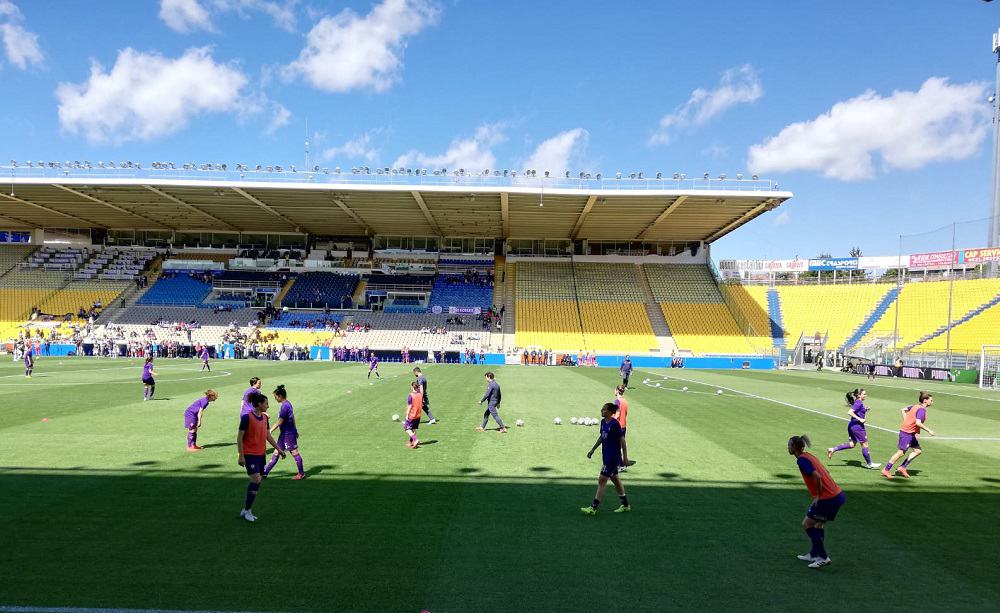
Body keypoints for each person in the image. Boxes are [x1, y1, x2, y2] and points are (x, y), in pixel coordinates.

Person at [789, 434, 845, 569]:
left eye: (790, 445)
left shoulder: (801, 460)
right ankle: (814, 554)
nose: (788, 447)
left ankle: (823, 557)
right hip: (837, 495)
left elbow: (818, 476)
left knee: (807, 524)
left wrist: (818, 495)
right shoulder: (809, 456)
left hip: (828, 498)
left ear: (795, 447)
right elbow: (825, 471)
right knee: (818, 525)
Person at [237, 392, 284, 522]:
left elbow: (267, 435)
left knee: (257, 481)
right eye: (266, 404)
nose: (268, 406)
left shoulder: (264, 418)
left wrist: (278, 449)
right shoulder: (247, 418)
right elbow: (240, 438)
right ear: (259, 404)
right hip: (249, 454)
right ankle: (247, 510)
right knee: (256, 479)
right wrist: (241, 456)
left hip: (260, 454)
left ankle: (247, 508)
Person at [581, 402, 631, 515]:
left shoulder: (615, 424)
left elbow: (622, 440)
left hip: (612, 457)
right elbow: (602, 436)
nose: (601, 411)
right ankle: (626, 505)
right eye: (602, 409)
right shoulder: (603, 422)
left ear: (610, 412)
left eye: (604, 409)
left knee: (602, 480)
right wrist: (592, 449)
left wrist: (625, 457)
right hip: (606, 455)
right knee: (615, 480)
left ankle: (593, 508)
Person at [882, 392, 936, 479]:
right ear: (925, 400)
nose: (932, 402)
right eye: (931, 400)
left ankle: (902, 467)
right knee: (901, 453)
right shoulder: (921, 410)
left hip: (911, 433)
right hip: (907, 434)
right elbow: (918, 423)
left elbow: (903, 409)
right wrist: (929, 431)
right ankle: (886, 469)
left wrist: (906, 421)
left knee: (917, 451)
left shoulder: (915, 406)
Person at [827, 388, 880, 469]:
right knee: (865, 444)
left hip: (852, 425)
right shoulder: (858, 402)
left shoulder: (857, 402)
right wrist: (860, 419)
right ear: (859, 395)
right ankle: (869, 463)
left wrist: (865, 409)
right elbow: (850, 412)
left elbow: (857, 410)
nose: (866, 395)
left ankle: (833, 449)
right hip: (857, 427)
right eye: (864, 394)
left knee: (852, 444)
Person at [263, 385, 304, 479]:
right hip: (284, 433)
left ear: (280, 396)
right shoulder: (287, 404)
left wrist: (270, 431)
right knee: (276, 452)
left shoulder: (285, 406)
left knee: (294, 452)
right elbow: (292, 417)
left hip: (288, 434)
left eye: (275, 397)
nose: (275, 399)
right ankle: (265, 473)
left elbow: (280, 421)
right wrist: (296, 429)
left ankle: (301, 474)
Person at [613, 385, 633, 470]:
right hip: (623, 426)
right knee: (620, 446)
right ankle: (622, 463)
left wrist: (611, 422)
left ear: (617, 391)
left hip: (618, 426)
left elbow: (617, 414)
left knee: (615, 446)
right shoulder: (625, 401)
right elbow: (625, 413)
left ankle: (620, 465)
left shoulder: (617, 401)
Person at [403, 381, 424, 448]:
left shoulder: (411, 395)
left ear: (412, 387)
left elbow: (410, 406)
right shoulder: (420, 395)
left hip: (412, 415)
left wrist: (407, 415)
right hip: (418, 414)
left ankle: (415, 439)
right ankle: (411, 442)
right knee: (413, 428)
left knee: (406, 428)